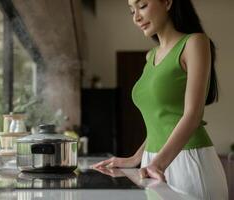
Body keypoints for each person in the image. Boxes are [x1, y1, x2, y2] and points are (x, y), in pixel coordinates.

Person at [91, 0, 229, 199]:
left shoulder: (195, 42)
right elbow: (160, 121)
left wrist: (159, 163)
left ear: (167, 2)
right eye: (132, 10)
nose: (136, 17)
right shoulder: (151, 56)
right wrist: (136, 158)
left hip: (188, 160)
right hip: (153, 163)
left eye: (143, 5)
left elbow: (192, 115)